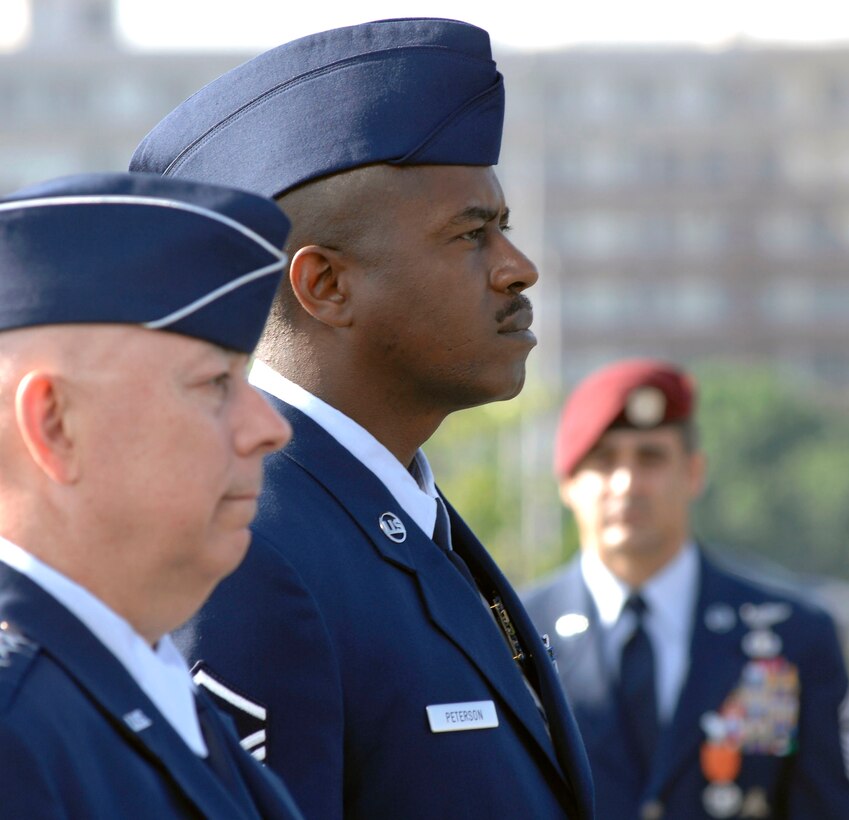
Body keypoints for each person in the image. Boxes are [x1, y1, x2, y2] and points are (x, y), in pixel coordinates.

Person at [130, 17, 594, 820]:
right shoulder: (253, 551)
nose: (518, 269)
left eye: (504, 229)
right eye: (471, 234)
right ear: (326, 287)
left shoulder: (393, 514)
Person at [0, 172, 304, 819]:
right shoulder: (17, 727)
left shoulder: (135, 681)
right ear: (55, 423)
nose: (271, 428)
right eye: (215, 383)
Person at [523, 357, 849, 819]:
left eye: (651, 457)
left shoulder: (793, 635)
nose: (627, 484)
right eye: (603, 460)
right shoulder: (511, 635)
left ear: (694, 472)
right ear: (567, 482)